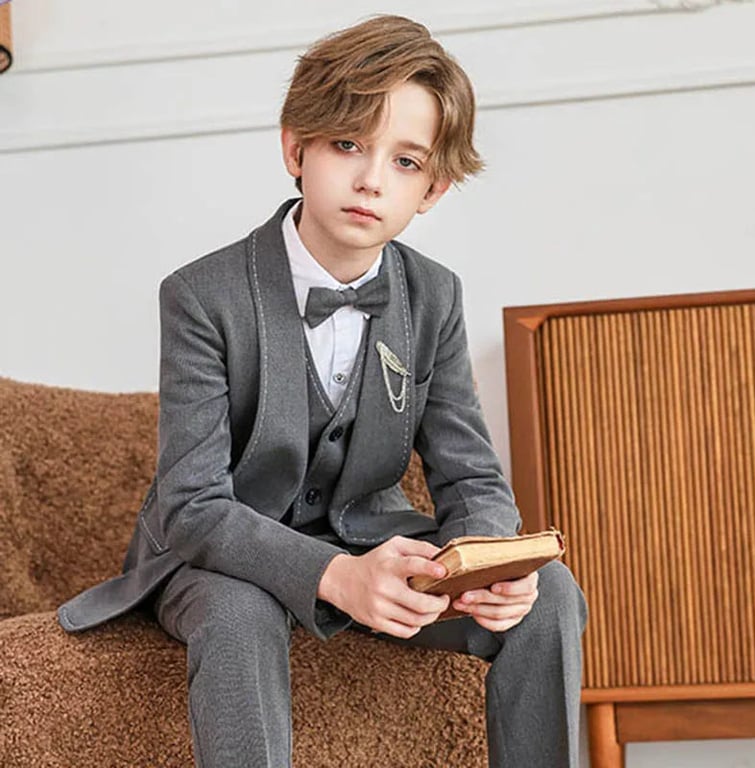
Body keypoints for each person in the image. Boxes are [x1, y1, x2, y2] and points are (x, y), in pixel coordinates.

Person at [58, 14, 587, 767]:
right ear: (295, 148)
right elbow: (192, 506)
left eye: (405, 161)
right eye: (347, 145)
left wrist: (491, 563)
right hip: (219, 555)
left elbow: (469, 474)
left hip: (367, 535)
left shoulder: (434, 295)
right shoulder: (201, 296)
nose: (372, 179)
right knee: (238, 612)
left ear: (433, 188)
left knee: (551, 593)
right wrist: (336, 575)